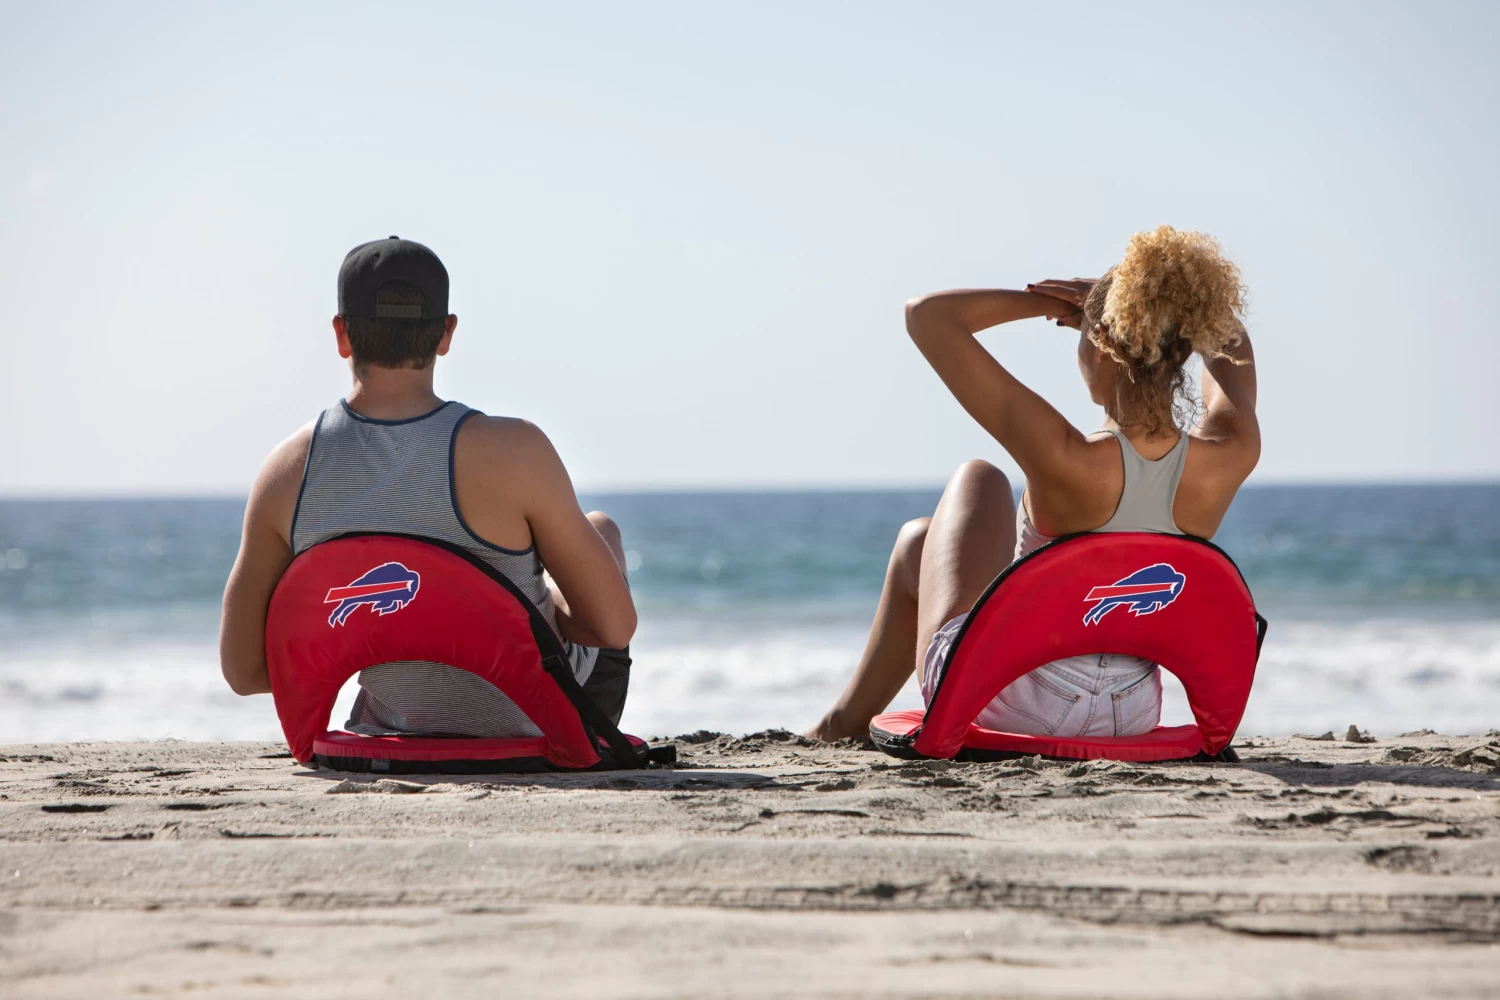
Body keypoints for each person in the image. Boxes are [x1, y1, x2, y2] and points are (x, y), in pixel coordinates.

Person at [806, 225, 1258, 742]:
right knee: (920, 543)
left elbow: (926, 316)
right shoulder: (1229, 454)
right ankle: (840, 723)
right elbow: (1233, 342)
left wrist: (1055, 302)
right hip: (1132, 708)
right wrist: (1167, 309)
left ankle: (838, 724)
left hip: (1012, 698)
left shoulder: (1065, 456)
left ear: (1102, 346)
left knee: (979, 477)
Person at [219, 237, 637, 737]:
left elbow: (244, 671)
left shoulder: (288, 472)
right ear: (446, 333)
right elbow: (612, 628)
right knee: (600, 529)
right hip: (543, 729)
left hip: (395, 735)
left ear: (341, 334)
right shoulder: (516, 450)